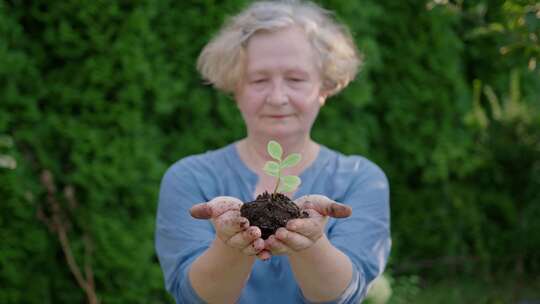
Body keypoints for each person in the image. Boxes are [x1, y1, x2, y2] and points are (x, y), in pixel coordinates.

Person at [155, 0, 391, 303]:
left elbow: (345, 295)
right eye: (259, 79)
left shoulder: (361, 179)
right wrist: (230, 244)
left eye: (295, 79)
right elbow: (193, 297)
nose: (278, 97)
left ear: (325, 86)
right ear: (234, 87)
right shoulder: (190, 179)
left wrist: (312, 243)